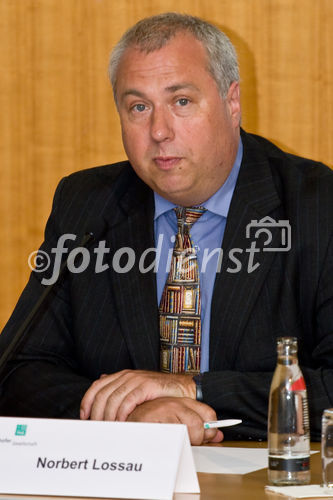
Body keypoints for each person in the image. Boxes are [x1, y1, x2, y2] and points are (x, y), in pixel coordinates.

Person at [0, 12, 332, 445]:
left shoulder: (316, 204)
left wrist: (191, 390)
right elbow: (17, 371)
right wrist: (134, 411)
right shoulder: (86, 205)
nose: (158, 131)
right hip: (124, 479)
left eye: (181, 102)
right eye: (139, 107)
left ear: (232, 102)